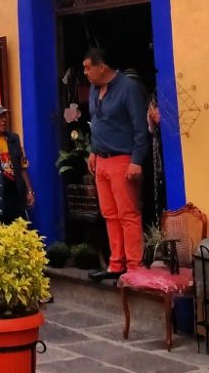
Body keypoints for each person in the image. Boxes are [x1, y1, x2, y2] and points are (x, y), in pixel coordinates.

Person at [83, 47, 149, 281]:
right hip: (101, 159)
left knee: (127, 214)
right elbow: (96, 123)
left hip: (123, 159)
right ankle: (116, 263)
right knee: (109, 214)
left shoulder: (127, 88)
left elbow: (140, 126)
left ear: (102, 67)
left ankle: (134, 266)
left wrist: (136, 160)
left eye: (88, 67)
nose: (85, 72)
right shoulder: (93, 88)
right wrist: (92, 151)